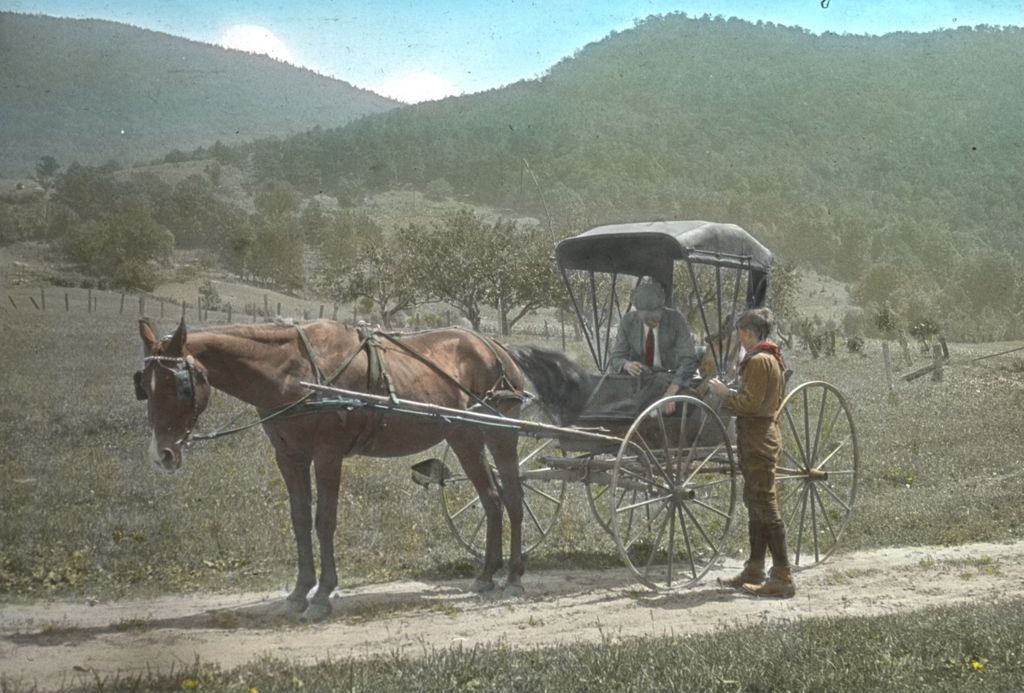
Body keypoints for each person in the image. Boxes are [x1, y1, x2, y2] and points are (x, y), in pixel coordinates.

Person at [707, 307, 795, 598]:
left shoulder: (759, 361)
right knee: (755, 502)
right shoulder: (772, 358)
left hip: (758, 439)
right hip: (757, 438)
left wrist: (724, 395)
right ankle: (754, 569)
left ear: (750, 333)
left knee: (766, 505)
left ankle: (782, 576)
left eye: (743, 333)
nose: (741, 339)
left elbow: (750, 404)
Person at [609, 281, 698, 415]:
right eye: (648, 319)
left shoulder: (676, 320)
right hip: (640, 380)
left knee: (660, 379)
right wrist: (627, 365)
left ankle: (628, 410)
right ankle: (612, 411)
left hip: (670, 378)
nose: (653, 321)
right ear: (638, 312)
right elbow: (616, 358)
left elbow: (689, 361)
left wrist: (670, 394)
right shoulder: (628, 322)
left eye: (657, 316)